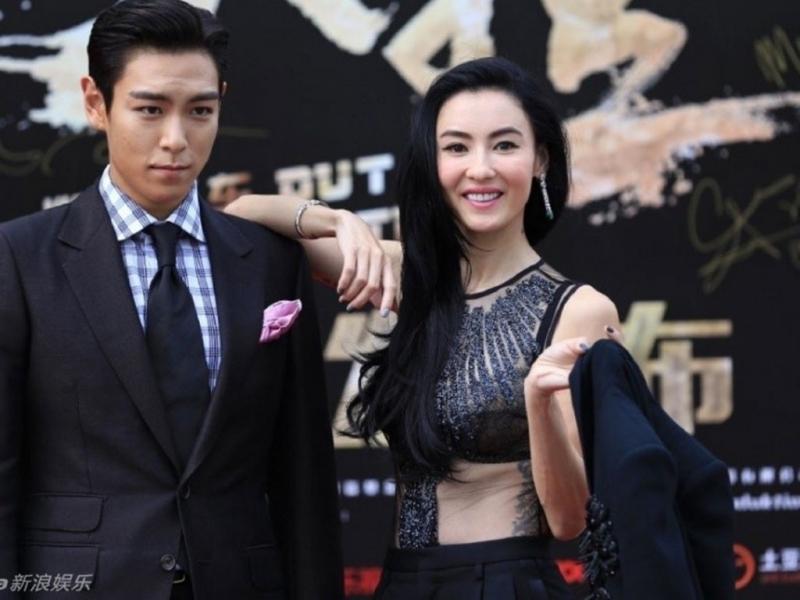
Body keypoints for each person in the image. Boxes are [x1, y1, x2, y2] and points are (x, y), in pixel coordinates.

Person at [227, 56, 623, 598]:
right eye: (457, 148)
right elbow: (237, 219)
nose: (480, 169)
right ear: (431, 162)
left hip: (504, 583)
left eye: (504, 145)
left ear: (540, 159)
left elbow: (570, 519)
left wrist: (538, 406)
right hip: (402, 581)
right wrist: (336, 220)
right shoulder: (406, 277)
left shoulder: (580, 311)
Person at [0, 1, 344, 599]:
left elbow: (303, 477)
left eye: (200, 111)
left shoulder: (269, 261)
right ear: (96, 103)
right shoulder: (19, 258)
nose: (176, 139)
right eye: (150, 109)